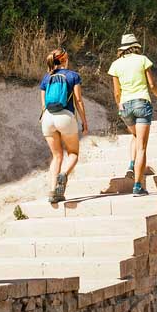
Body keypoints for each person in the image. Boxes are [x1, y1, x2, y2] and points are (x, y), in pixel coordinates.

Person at [107, 34, 157, 197]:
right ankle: (137, 186)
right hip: (142, 103)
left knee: (135, 135)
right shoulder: (142, 60)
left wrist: (120, 106)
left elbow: (116, 92)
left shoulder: (115, 64)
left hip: (125, 106)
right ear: (136, 46)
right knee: (142, 146)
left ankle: (131, 165)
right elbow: (152, 85)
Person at [39, 48, 89, 202]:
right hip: (65, 117)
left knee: (56, 156)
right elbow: (78, 101)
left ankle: (53, 191)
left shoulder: (46, 78)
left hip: (48, 118)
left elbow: (43, 104)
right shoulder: (73, 76)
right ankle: (64, 174)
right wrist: (84, 123)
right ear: (65, 60)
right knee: (73, 153)